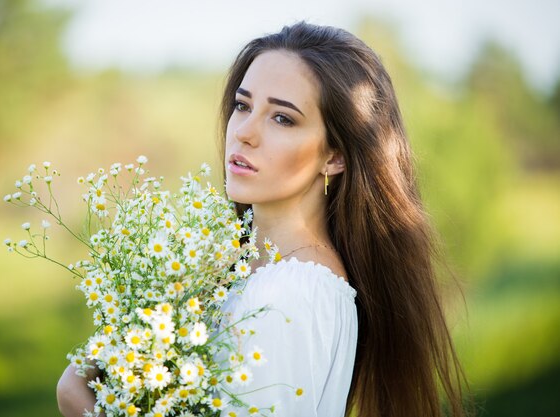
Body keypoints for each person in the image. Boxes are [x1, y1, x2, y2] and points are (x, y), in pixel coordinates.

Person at [58, 21, 470, 417]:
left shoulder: (289, 293)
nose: (244, 132)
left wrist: (79, 400)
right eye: (243, 105)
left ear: (335, 156)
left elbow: (77, 388)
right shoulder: (232, 272)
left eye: (282, 118)